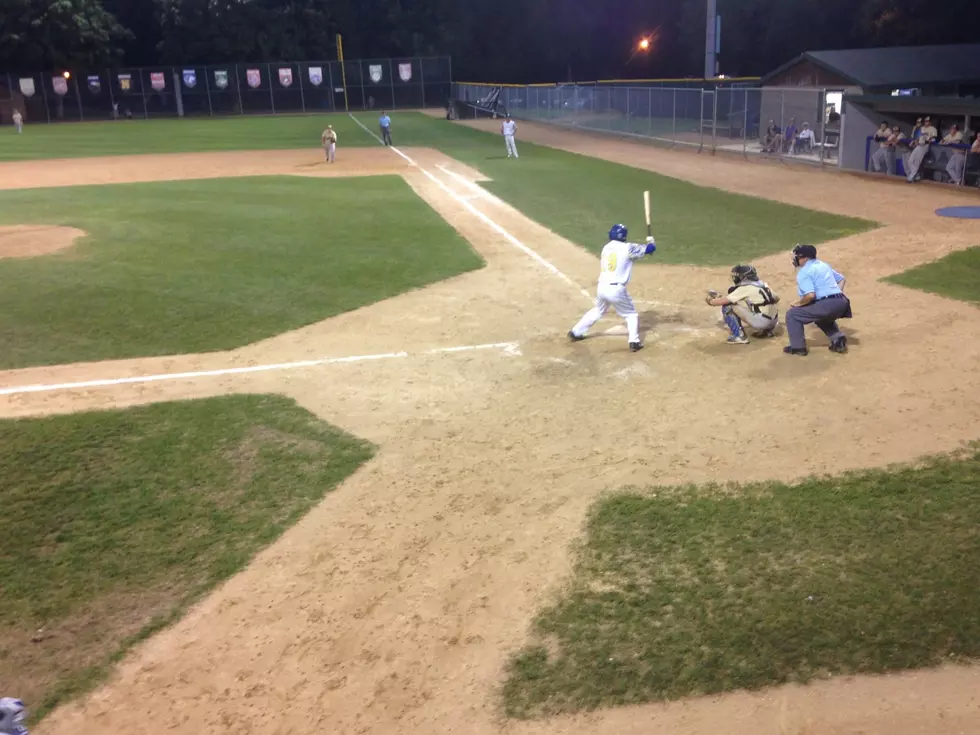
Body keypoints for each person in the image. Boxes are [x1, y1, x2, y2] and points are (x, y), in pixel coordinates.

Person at [568, 224, 657, 353]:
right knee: (631, 315)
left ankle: (576, 332)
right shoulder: (628, 248)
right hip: (616, 289)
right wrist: (651, 242)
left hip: (602, 287)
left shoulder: (606, 248)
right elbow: (649, 249)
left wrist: (648, 247)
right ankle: (634, 341)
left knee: (598, 310)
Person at [784, 244, 850, 356]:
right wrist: (835, 295)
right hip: (842, 302)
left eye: (797, 256)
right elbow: (841, 279)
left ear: (804, 258)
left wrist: (799, 304)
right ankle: (837, 338)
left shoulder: (804, 272)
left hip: (828, 304)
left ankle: (798, 348)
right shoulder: (823, 265)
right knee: (818, 313)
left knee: (792, 314)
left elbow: (810, 295)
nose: (795, 258)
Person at [705, 265, 780, 345]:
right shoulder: (763, 284)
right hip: (774, 321)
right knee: (757, 304)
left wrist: (710, 301)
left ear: (743, 277)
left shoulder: (745, 288)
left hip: (762, 322)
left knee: (728, 306)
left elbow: (724, 302)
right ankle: (767, 331)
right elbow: (777, 298)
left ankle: (739, 336)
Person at [905, 116, 938, 183]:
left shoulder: (933, 129)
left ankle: (911, 177)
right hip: (918, 145)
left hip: (924, 146)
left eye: (928, 121)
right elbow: (918, 137)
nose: (926, 122)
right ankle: (916, 175)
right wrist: (914, 141)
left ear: (930, 122)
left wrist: (927, 141)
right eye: (925, 121)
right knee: (910, 161)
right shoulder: (922, 128)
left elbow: (934, 138)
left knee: (917, 162)